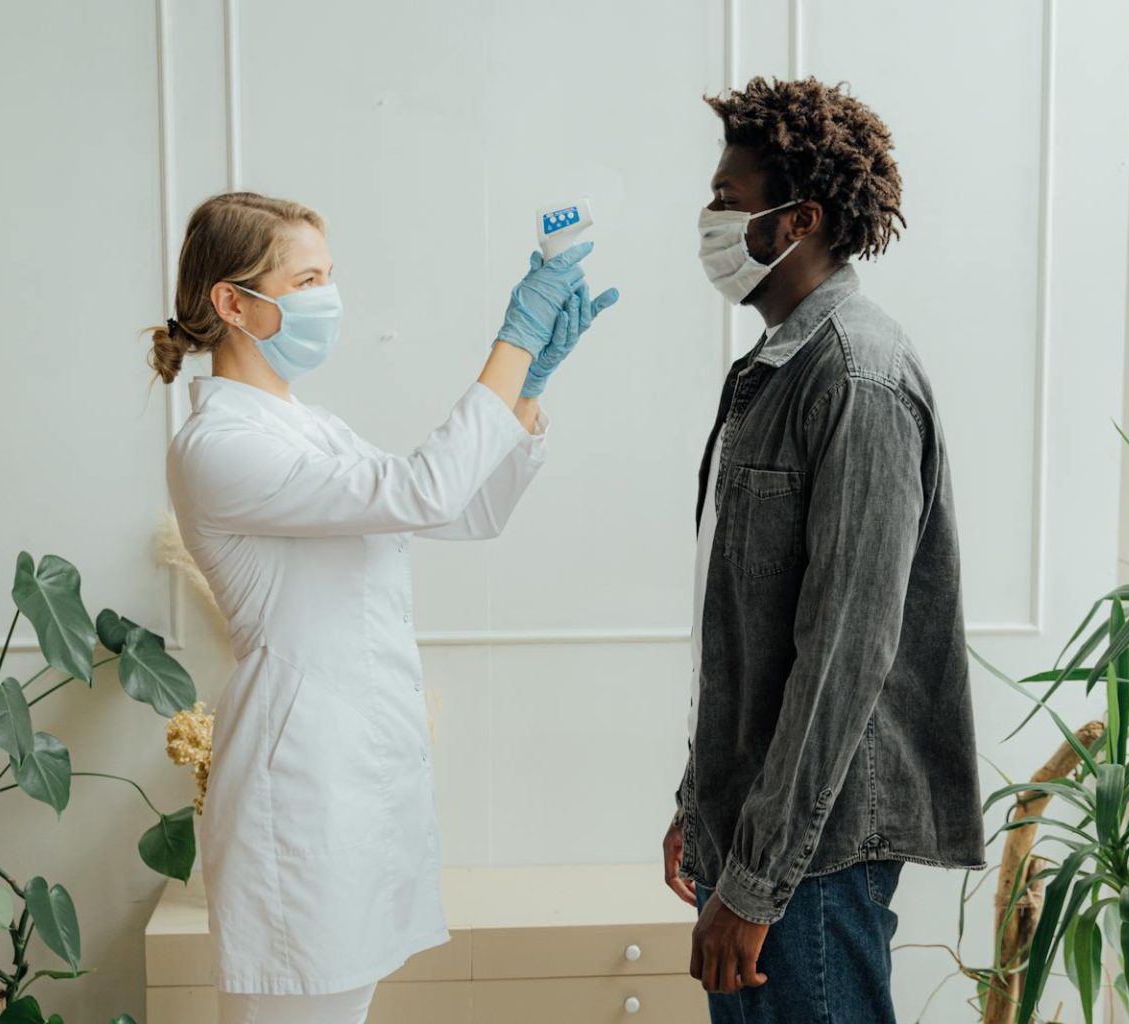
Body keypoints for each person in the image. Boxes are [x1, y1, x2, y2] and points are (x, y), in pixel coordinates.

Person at [152, 191, 617, 1024]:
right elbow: (421, 487)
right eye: (307, 278)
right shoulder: (221, 446)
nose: (327, 296)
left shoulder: (309, 428)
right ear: (232, 301)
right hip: (296, 800)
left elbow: (456, 511)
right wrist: (512, 341)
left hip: (353, 785)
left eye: (329, 275)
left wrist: (528, 389)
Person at [663, 77, 986, 1024]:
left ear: (797, 218)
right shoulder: (771, 370)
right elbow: (736, 626)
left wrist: (758, 879)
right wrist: (703, 801)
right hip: (763, 833)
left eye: (728, 199)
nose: (711, 218)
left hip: (813, 856)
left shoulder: (860, 378)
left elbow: (846, 653)